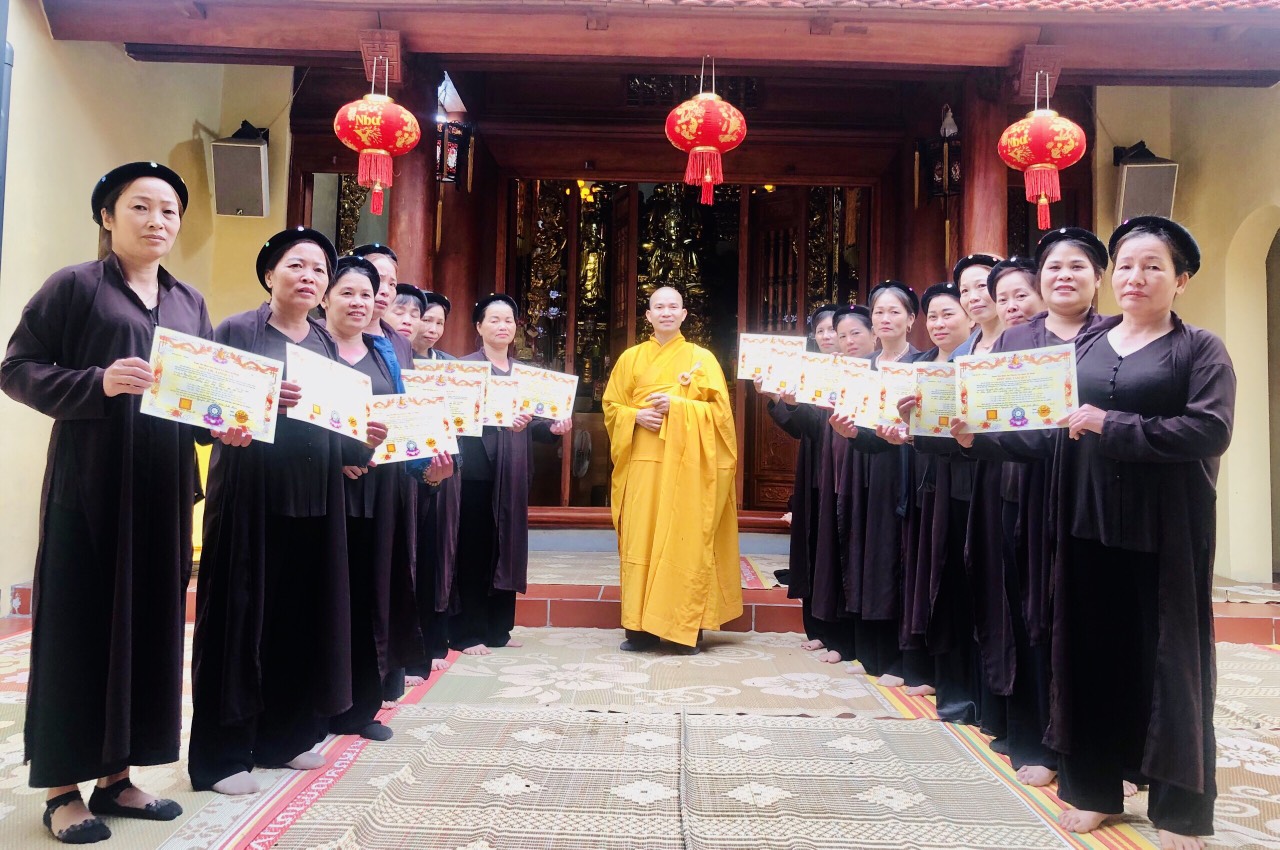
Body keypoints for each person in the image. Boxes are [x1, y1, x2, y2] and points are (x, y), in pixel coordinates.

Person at [980, 218, 1228, 849]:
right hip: (1082, 523)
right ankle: (1094, 789)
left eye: (1153, 266)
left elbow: (1209, 430)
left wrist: (1109, 424)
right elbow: (1047, 432)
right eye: (1126, 265)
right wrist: (965, 437)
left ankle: (1179, 809)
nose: (1135, 277)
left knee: (1170, 664)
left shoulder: (1199, 349)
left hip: (1165, 532)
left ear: (1181, 279)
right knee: (1085, 656)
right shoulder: (1087, 345)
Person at [1, 162, 216, 843]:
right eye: (141, 207)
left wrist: (228, 424)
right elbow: (17, 369)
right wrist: (98, 381)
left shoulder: (188, 303)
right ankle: (62, 788)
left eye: (169, 211)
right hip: (90, 487)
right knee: (79, 628)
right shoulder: (75, 286)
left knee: (150, 628)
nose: (158, 221)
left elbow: (205, 396)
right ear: (107, 216)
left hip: (163, 489)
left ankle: (118, 776)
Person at [189, 228, 385, 796]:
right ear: (269, 274)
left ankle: (285, 736)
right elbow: (206, 413)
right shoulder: (237, 331)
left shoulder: (324, 342)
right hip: (250, 499)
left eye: (319, 269)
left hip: (315, 499)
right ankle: (222, 757)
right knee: (237, 622)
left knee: (301, 617)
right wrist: (258, 405)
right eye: (296, 265)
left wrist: (364, 441)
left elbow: (336, 428)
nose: (308, 276)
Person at [961, 229, 1110, 787]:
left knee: (1091, 618)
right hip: (1021, 492)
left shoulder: (1113, 336)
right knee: (1030, 616)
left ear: (1098, 277)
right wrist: (965, 430)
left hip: (1090, 494)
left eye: (1077, 266)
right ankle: (1038, 740)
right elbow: (993, 416)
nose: (1064, 275)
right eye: (1054, 267)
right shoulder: (1017, 339)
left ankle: (1102, 750)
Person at [320, 257, 427, 741]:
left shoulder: (382, 351)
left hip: (380, 490)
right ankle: (315, 707)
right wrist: (337, 454)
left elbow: (402, 415)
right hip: (324, 492)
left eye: (368, 294)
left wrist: (427, 463)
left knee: (371, 593)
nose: (360, 302)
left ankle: (360, 707)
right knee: (326, 595)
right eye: (348, 292)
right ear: (326, 297)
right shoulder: (312, 347)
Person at [603, 285, 741, 653]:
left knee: (686, 541)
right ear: (648, 316)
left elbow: (721, 416)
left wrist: (678, 408)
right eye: (659, 307)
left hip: (689, 469)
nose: (666, 312)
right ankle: (639, 629)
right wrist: (636, 416)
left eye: (673, 307)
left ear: (683, 315)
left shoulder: (702, 359)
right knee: (641, 542)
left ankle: (684, 627)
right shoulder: (630, 359)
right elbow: (612, 406)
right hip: (643, 465)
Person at [451, 294, 572, 654]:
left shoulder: (525, 374)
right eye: (494, 320)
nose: (502, 326)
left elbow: (534, 423)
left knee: (508, 547)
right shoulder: (465, 369)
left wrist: (552, 428)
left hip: (513, 473)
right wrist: (496, 418)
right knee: (474, 550)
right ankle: (468, 632)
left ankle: (498, 629)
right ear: (479, 327)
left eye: (508, 320)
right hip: (475, 473)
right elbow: (455, 417)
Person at [754, 304, 841, 661]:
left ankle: (839, 632)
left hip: (845, 471)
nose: (827, 336)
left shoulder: (859, 370)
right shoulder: (809, 371)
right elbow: (801, 428)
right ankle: (817, 628)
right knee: (812, 547)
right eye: (820, 330)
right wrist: (777, 398)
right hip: (815, 470)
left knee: (838, 551)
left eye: (833, 329)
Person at [953, 253, 1003, 355]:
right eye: (964, 291)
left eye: (981, 285)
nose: (972, 298)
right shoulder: (958, 356)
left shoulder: (1029, 342)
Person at [413, 291, 454, 361]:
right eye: (426, 320)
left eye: (439, 323)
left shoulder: (450, 363)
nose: (434, 330)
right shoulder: (394, 359)